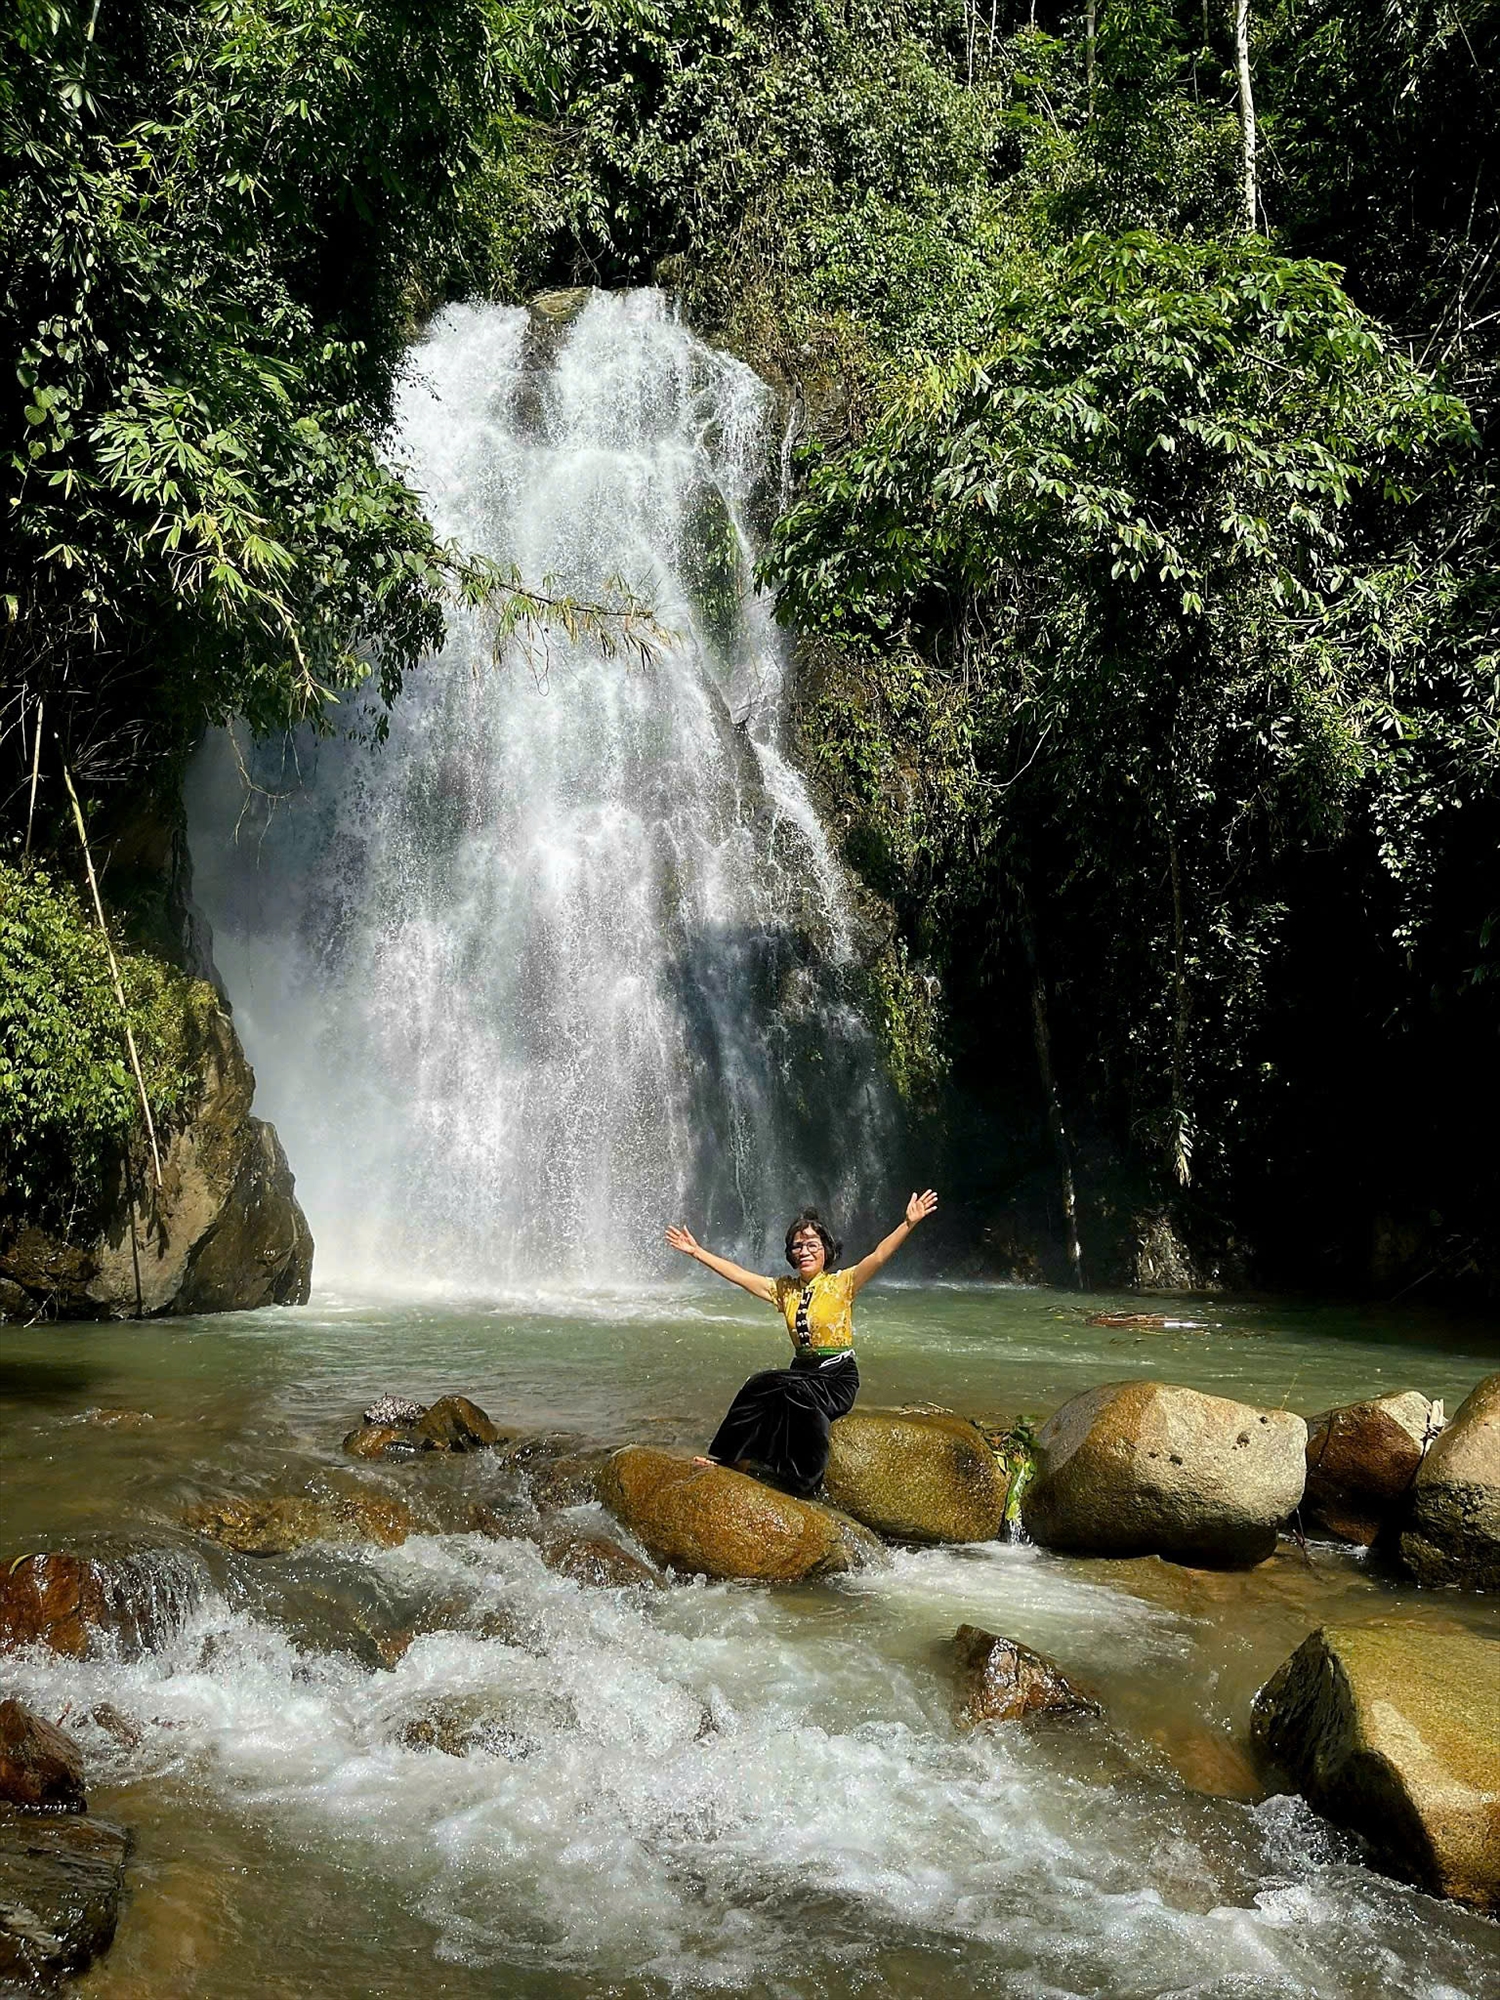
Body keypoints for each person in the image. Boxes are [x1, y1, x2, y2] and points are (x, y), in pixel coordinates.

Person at [664, 1191, 939, 1497]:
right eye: (797, 1246)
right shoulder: (785, 1290)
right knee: (759, 1385)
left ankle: (804, 1482)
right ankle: (734, 1460)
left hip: (836, 1376)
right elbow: (740, 1275)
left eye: (811, 1245)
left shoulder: (842, 1283)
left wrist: (908, 1223)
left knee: (795, 1396)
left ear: (825, 1250)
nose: (804, 1251)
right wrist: (697, 1252)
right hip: (803, 1372)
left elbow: (878, 1256)